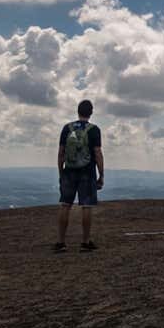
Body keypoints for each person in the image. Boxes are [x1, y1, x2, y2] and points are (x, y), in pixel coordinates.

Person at [54, 100, 104, 253]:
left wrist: (61, 173)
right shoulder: (94, 130)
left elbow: (61, 153)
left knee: (65, 205)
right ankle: (85, 242)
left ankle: (61, 242)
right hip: (87, 172)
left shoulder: (67, 128)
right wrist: (101, 175)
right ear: (91, 112)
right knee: (86, 206)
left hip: (69, 171)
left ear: (78, 111)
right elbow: (97, 153)